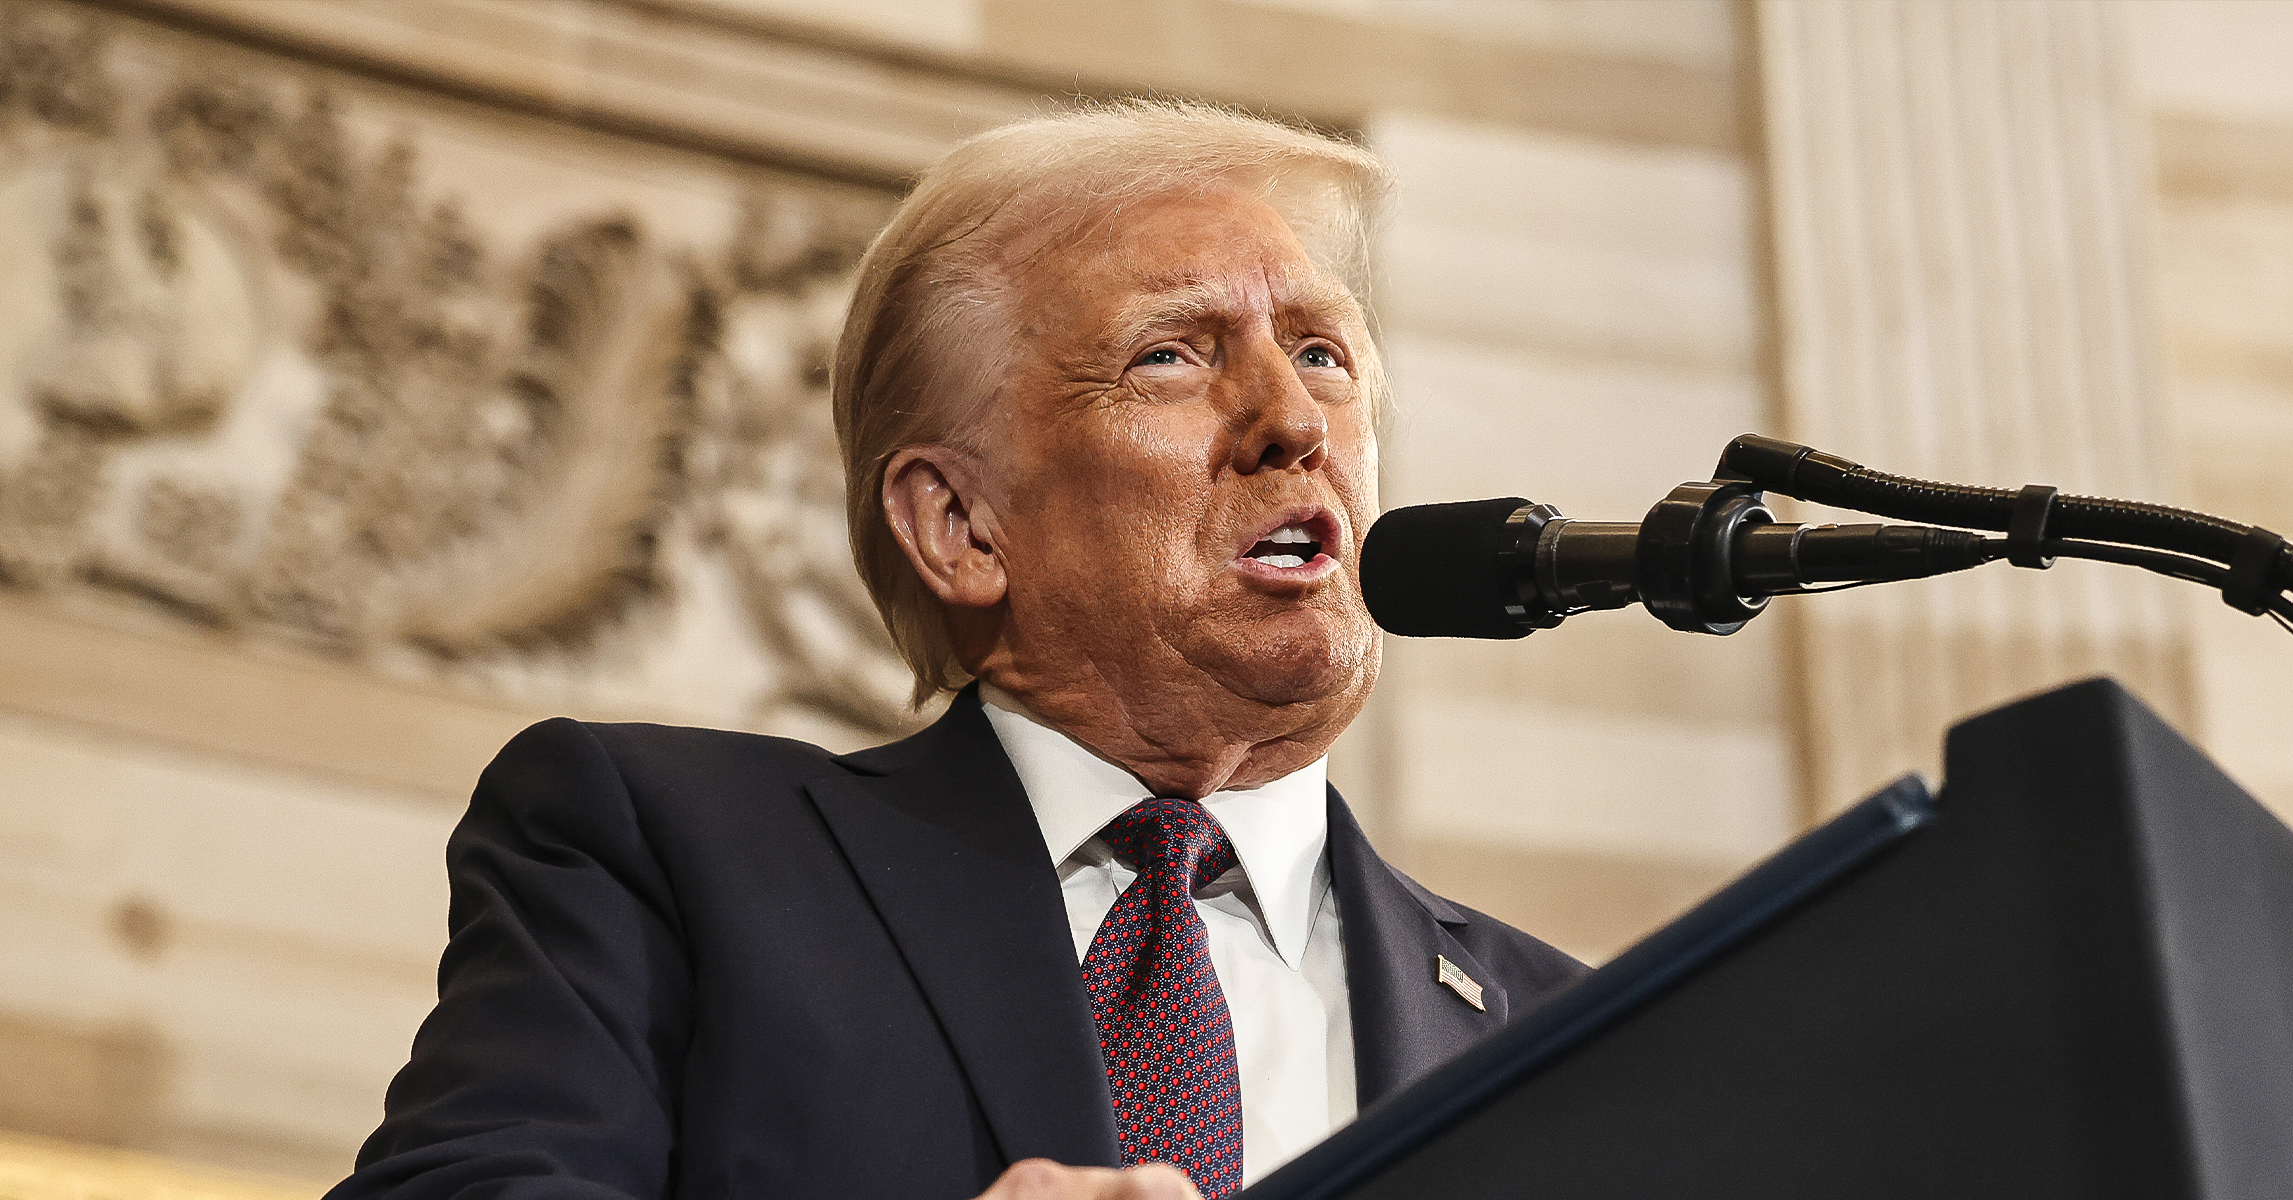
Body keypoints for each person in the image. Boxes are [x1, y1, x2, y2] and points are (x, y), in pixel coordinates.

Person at [328, 102, 1585, 1200]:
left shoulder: (1573, 1036)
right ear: (961, 526)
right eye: (1171, 355)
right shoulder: (669, 854)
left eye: (1323, 352)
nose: (1295, 420)